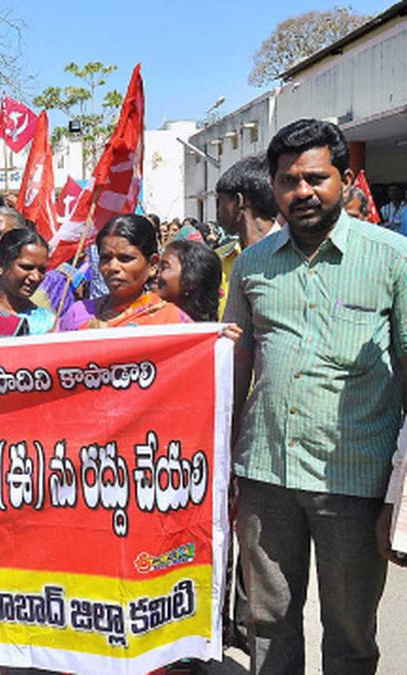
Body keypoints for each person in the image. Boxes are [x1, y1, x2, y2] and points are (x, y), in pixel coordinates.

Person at [226, 119, 407, 674]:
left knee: (350, 632)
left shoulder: (393, 258)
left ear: (345, 179)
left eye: (314, 177)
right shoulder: (253, 265)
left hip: (354, 480)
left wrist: (402, 486)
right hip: (264, 476)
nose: (301, 191)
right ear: (273, 187)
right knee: (268, 625)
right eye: (287, 180)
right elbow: (233, 366)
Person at [58, 214, 192, 331]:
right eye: (105, 258)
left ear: (152, 264)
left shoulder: (171, 322)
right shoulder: (78, 314)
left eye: (125, 258)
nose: (113, 267)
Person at [215, 155, 281, 318]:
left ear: (238, 201)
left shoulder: (295, 254)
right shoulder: (218, 260)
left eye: (220, 202)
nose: (217, 212)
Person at [0, 227, 56, 336]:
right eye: (26, 267)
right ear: (0, 264)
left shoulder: (46, 322)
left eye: (42, 270)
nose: (36, 277)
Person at [155, 239, 223, 323]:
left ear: (191, 281)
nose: (153, 272)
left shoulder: (207, 333)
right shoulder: (146, 319)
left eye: (164, 267)